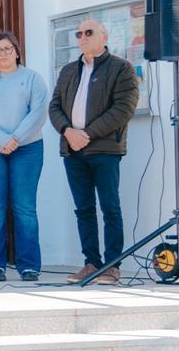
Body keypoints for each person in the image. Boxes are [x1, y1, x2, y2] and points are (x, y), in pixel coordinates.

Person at [49, 19, 138, 285]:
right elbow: (54, 107)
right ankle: (91, 263)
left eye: (89, 32)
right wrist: (68, 131)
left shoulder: (121, 68)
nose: (83, 37)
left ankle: (112, 266)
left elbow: (123, 108)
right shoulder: (68, 71)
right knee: (83, 209)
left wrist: (86, 134)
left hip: (104, 149)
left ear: (104, 35)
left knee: (110, 208)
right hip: (73, 150)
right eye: (79, 34)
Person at [0, 31, 48, 282]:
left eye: (7, 49)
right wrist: (4, 140)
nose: (2, 54)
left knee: (25, 207)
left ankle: (29, 265)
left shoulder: (33, 78)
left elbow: (38, 112)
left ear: (17, 51)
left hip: (27, 148)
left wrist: (15, 139)